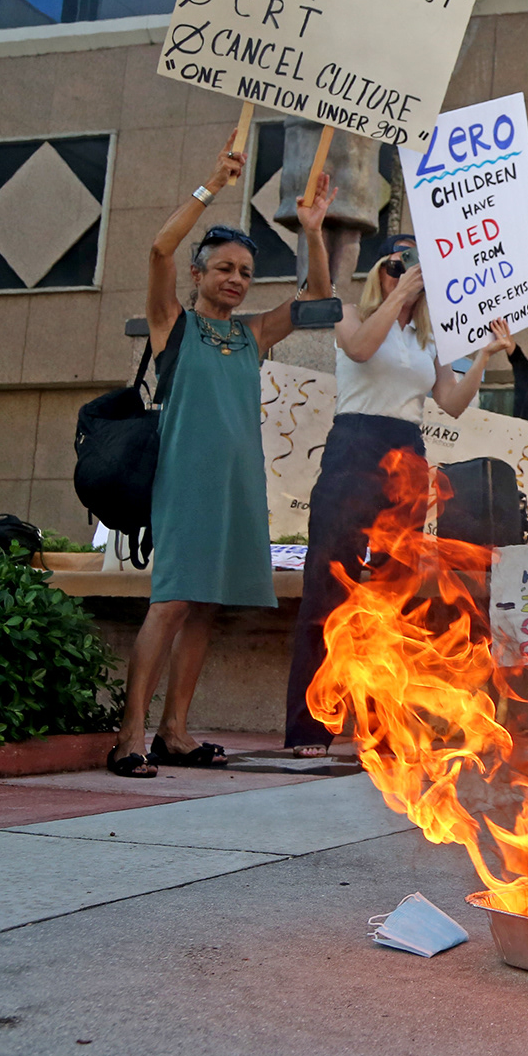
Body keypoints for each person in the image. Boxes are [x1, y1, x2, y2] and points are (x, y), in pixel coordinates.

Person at [106, 137, 334, 778]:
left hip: (238, 487)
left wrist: (312, 230)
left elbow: (317, 297)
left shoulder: (253, 332)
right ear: (198, 276)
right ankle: (130, 737)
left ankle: (176, 732)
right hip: (186, 483)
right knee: (172, 600)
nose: (234, 279)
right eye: (223, 268)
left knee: (205, 605)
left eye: (243, 271)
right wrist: (212, 182)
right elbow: (157, 249)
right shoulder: (171, 324)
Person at [282, 255, 515, 757]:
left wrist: (483, 356)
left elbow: (450, 402)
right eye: (394, 263)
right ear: (377, 273)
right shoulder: (352, 313)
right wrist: (398, 294)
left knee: (396, 596)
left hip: (406, 454)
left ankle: (383, 728)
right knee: (327, 586)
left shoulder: (427, 339)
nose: (406, 272)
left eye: (415, 266)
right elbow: (361, 350)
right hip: (355, 445)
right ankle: (308, 728)